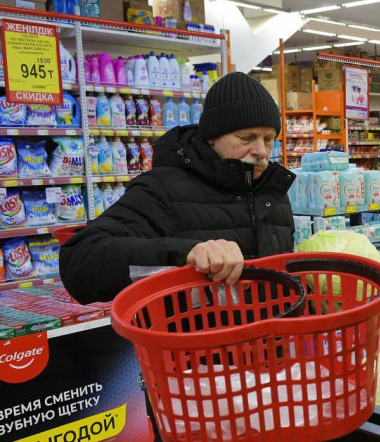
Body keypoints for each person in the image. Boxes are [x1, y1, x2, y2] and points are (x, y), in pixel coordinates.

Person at [60, 72, 296, 304]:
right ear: (212, 138)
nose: (262, 151)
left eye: (268, 139)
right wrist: (186, 252)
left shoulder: (272, 191)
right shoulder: (162, 189)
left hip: (272, 339)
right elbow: (79, 261)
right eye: (246, 138)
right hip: (194, 340)